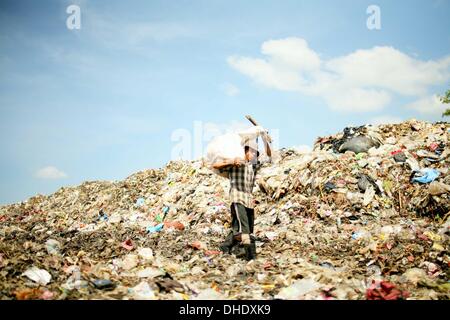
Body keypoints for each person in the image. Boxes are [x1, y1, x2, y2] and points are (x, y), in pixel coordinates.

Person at [212, 137, 272, 260]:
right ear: (245, 151)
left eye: (256, 153)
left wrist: (264, 139)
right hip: (237, 198)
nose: (254, 155)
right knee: (245, 230)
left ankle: (225, 246)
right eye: (252, 152)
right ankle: (250, 257)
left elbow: (269, 156)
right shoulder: (235, 162)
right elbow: (215, 165)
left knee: (241, 228)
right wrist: (231, 162)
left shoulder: (254, 166)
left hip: (248, 201)